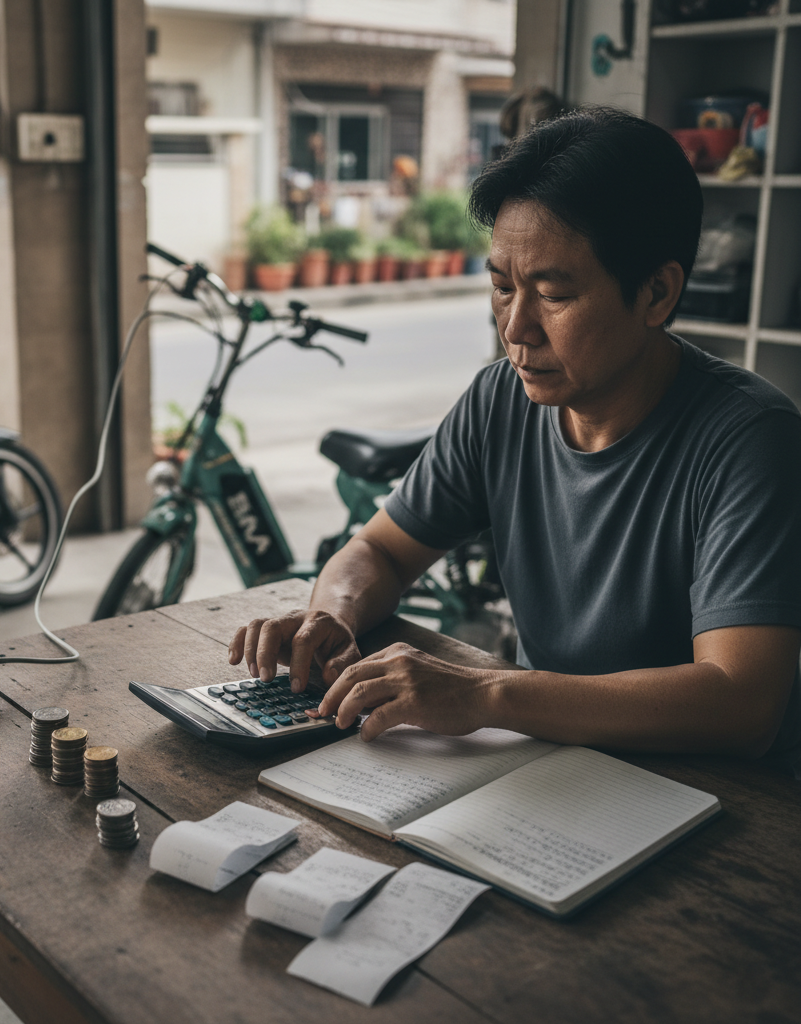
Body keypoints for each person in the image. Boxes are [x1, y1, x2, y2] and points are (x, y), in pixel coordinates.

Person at [228, 106, 801, 771]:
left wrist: (488, 691)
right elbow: (377, 552)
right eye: (503, 287)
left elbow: (740, 705)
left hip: (726, 802)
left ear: (656, 292)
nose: (517, 329)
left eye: (553, 295)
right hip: (557, 768)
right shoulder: (501, 400)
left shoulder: (751, 442)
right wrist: (335, 616)